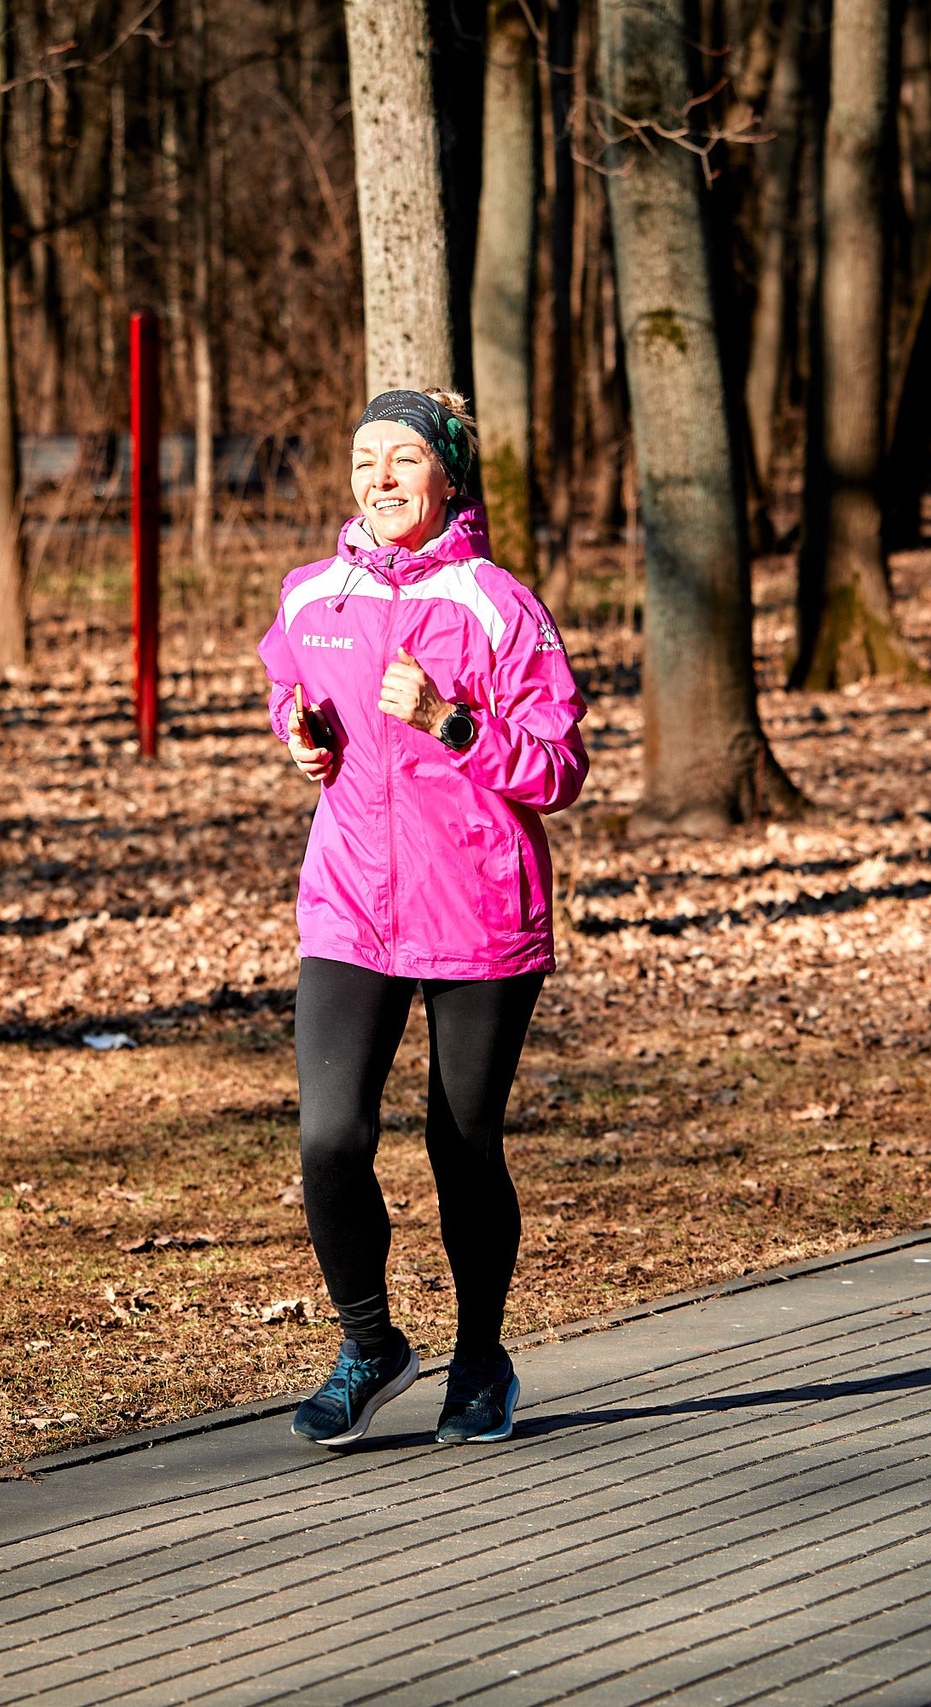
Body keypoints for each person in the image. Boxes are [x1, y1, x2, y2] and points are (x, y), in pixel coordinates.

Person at [256, 388, 588, 1446]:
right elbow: (287, 683)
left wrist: (452, 723)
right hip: (350, 904)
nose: (381, 478)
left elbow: (559, 768)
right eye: (365, 459)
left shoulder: (498, 604)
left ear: (447, 476)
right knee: (329, 1138)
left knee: (463, 1144)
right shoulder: (315, 595)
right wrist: (300, 734)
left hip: (477, 911)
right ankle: (370, 1345)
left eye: (403, 458)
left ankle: (481, 1359)